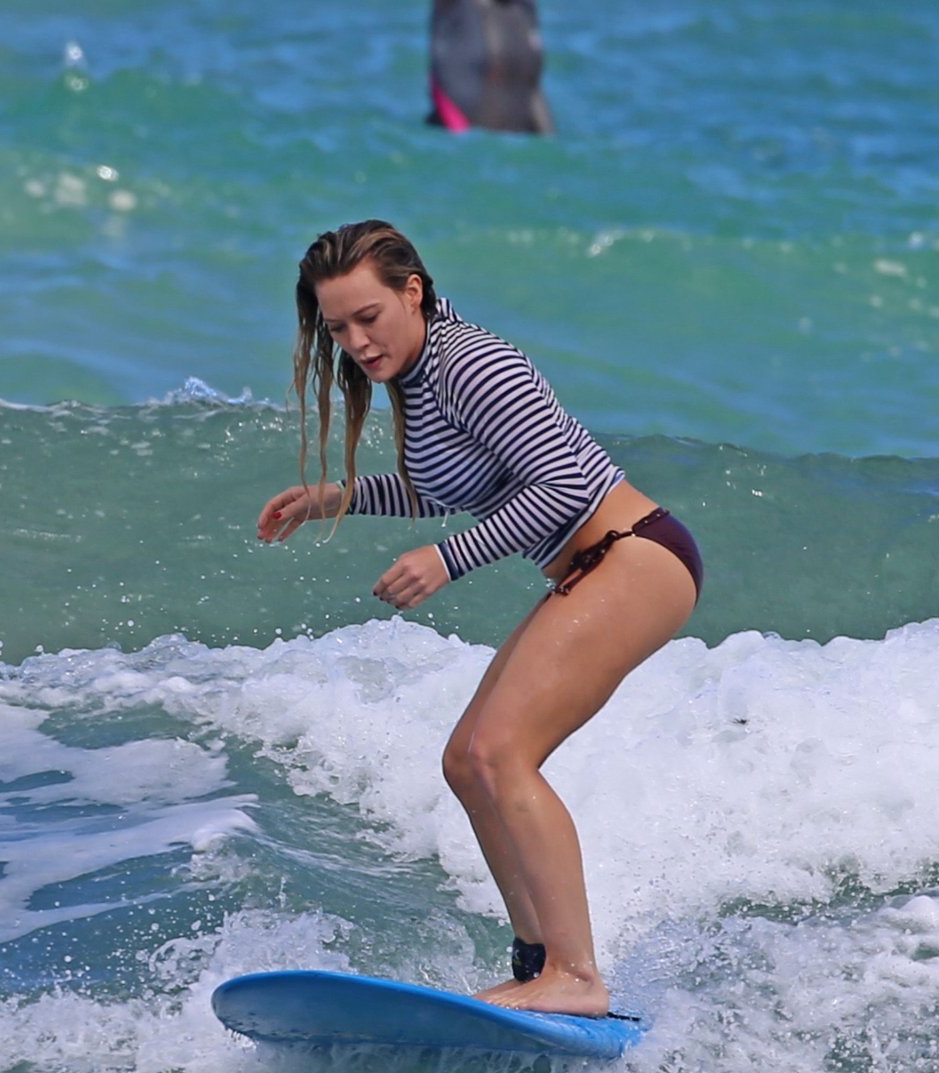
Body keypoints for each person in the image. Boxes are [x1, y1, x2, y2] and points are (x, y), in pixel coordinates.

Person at [256, 221, 702, 1017]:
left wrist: (448, 559)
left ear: (412, 292)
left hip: (634, 556)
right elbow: (457, 484)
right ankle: (537, 963)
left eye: (368, 318)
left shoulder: (470, 363)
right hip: (603, 564)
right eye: (338, 328)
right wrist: (344, 497)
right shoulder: (420, 376)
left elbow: (562, 487)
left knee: (502, 752)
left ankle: (576, 975)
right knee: (466, 761)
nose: (356, 343)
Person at [428, 0, 554, 135]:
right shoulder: (456, 6)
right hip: (469, 135)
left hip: (516, 138)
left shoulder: (524, 8)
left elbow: (532, 87)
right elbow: (443, 84)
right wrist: (465, 139)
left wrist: (549, 140)